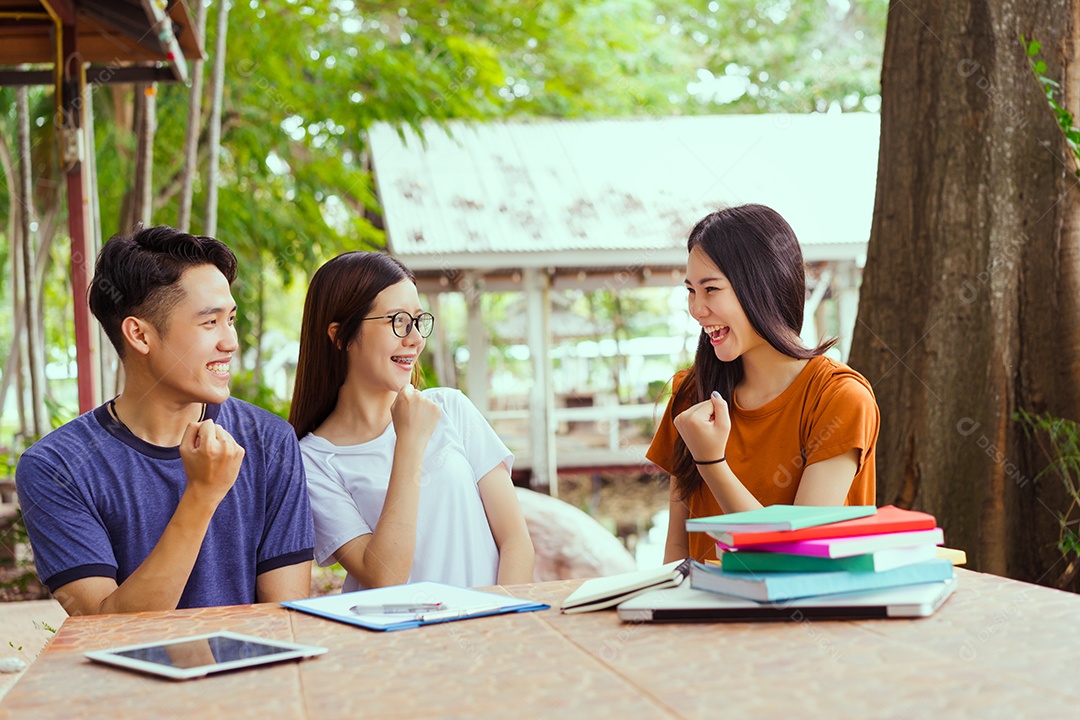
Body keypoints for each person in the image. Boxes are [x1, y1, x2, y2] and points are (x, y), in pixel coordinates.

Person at [16, 226, 315, 615]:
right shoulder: (56, 468)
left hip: (254, 673)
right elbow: (107, 628)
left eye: (231, 319)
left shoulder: (270, 441)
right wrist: (202, 495)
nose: (231, 341)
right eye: (210, 323)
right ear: (140, 335)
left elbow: (286, 618)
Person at [647, 204, 879, 564]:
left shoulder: (840, 399)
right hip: (701, 614)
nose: (697, 308)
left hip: (804, 617)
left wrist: (712, 462)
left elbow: (799, 556)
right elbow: (677, 551)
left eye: (711, 289)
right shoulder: (691, 394)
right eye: (691, 290)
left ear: (761, 286)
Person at [289, 251, 534, 592]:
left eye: (418, 320)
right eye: (397, 321)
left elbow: (515, 541)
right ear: (340, 335)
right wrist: (408, 443)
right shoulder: (312, 460)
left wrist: (504, 624)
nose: (415, 338)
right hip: (398, 643)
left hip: (492, 633)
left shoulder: (451, 408)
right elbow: (384, 575)